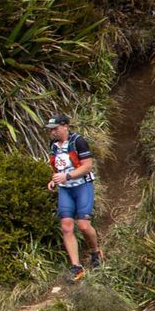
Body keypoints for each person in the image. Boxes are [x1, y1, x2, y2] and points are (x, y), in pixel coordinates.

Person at [44, 113, 101, 282]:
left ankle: (95, 252)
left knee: (83, 226)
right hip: (65, 190)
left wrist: (67, 177)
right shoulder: (53, 145)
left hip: (82, 186)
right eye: (51, 130)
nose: (53, 132)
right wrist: (54, 180)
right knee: (67, 227)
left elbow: (87, 167)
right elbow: (57, 166)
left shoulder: (78, 141)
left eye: (55, 129)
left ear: (65, 126)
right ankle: (76, 267)